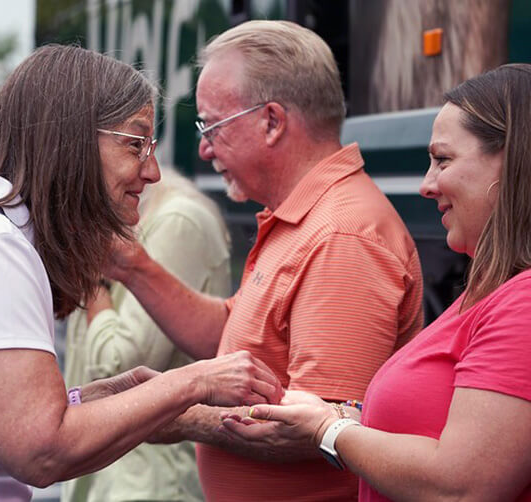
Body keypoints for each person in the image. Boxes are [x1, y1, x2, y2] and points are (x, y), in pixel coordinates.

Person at [0, 44, 283, 502]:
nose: (152, 171)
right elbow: (39, 450)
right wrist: (194, 380)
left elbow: (7, 417)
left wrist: (107, 395)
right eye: (135, 144)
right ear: (70, 139)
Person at [222, 63, 531, 501]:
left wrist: (328, 429)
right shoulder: (501, 293)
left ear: (516, 163)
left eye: (442, 160)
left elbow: (460, 487)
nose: (426, 185)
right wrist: (342, 416)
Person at [106, 20, 424, 502]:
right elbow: (232, 336)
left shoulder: (341, 236)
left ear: (272, 121)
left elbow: (314, 430)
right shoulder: (308, 217)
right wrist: (129, 264)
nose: (204, 148)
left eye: (212, 125)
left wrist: (166, 407)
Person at [62, 166, 231, 502]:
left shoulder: (177, 221)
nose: (204, 151)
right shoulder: (143, 217)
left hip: (150, 484)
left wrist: (93, 278)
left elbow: (119, 364)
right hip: (112, 477)